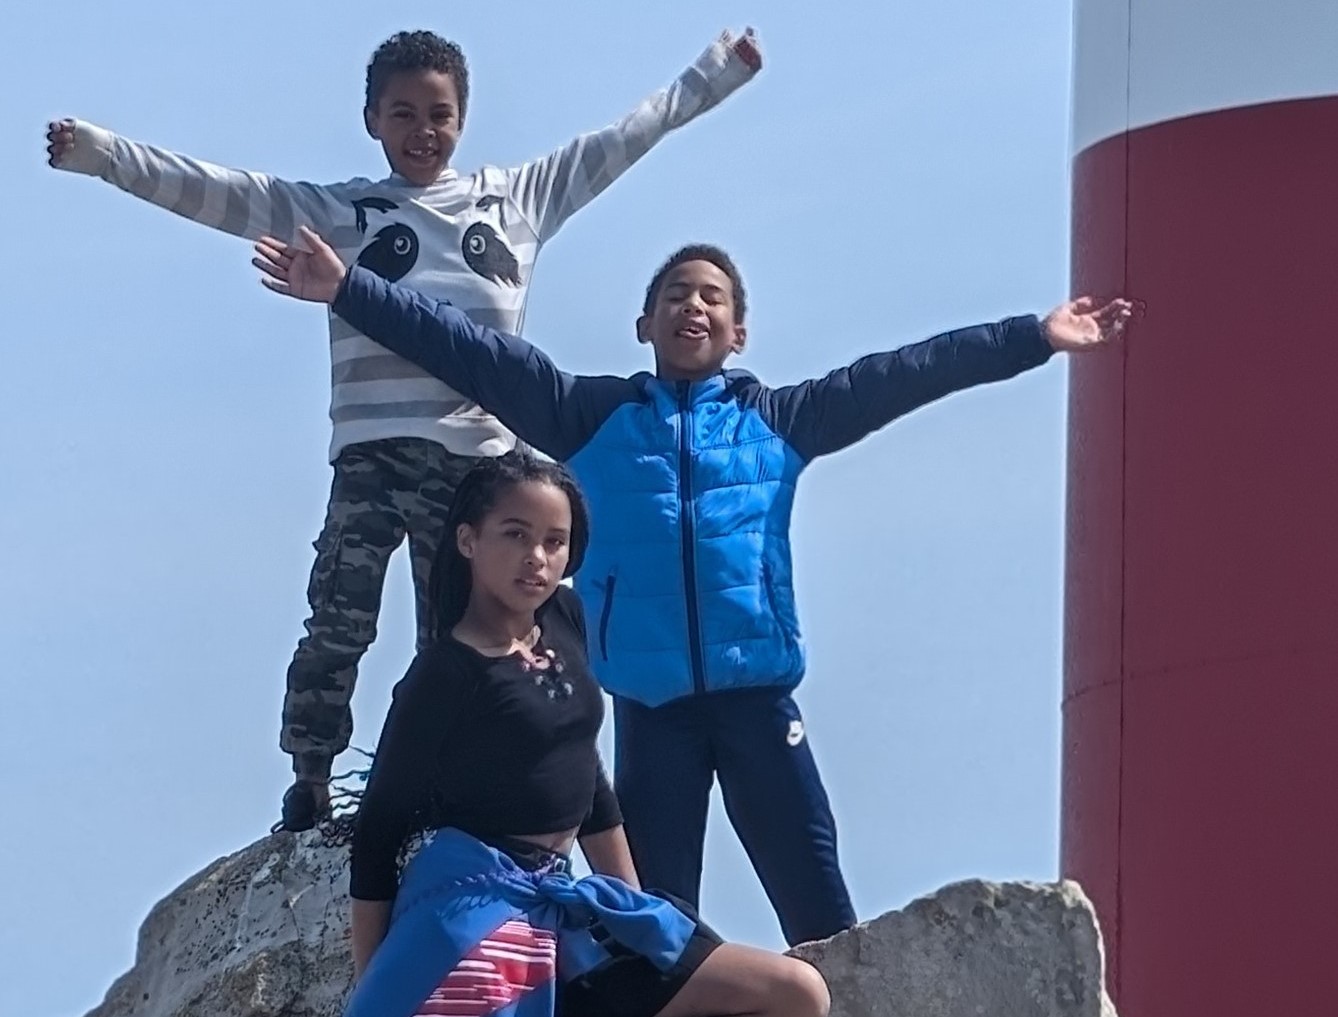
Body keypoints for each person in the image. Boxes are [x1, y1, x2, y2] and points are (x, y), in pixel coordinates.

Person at [252, 226, 1134, 946]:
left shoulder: (779, 422)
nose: (694, 305)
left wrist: (1032, 337)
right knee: (655, 930)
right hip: (650, 716)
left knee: (821, 914)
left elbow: (902, 372)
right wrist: (351, 289)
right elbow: (474, 354)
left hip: (758, 705)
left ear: (738, 332)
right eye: (677, 293)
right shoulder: (590, 418)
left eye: (713, 296)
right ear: (645, 323)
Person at [44, 27, 763, 831]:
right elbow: (216, 192)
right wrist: (101, 154)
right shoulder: (339, 214)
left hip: (480, 474)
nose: (424, 132)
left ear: (463, 118)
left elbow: (630, 133)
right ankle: (311, 778)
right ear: (372, 120)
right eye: (404, 113)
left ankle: (450, 785)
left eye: (440, 114)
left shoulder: (516, 200)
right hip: (372, 458)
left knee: (456, 637)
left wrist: (716, 75)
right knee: (339, 619)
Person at [345, 450, 829, 1017]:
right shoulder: (443, 676)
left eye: (555, 542)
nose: (537, 559)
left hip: (573, 905)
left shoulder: (565, 617)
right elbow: (377, 831)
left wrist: (632, 911)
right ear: (467, 540)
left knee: (795, 993)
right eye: (515, 535)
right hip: (479, 911)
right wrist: (372, 977)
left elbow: (587, 778)